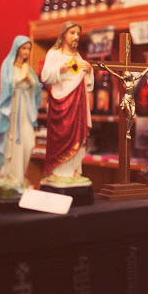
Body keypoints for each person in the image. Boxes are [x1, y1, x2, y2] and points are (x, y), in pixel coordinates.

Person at [40, 21, 94, 185]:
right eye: (72, 33)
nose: (76, 37)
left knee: (77, 133)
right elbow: (45, 77)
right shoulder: (54, 54)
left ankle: (74, 170)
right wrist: (60, 70)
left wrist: (89, 71)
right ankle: (58, 171)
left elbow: (86, 83)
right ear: (63, 34)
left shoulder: (77, 56)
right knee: (61, 136)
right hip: (61, 102)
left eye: (78, 34)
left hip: (78, 103)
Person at [0, 36, 42, 189]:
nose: (26, 52)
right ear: (17, 49)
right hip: (12, 110)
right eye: (23, 48)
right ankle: (10, 176)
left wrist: (30, 81)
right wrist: (21, 79)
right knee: (12, 142)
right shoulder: (7, 66)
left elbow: (37, 90)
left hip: (26, 110)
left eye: (29, 49)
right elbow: (6, 87)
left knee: (28, 141)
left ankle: (20, 176)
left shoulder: (29, 69)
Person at [98, 62, 148, 139]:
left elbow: (141, 74)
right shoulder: (124, 80)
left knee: (131, 116)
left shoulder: (133, 80)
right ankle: (126, 132)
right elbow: (113, 73)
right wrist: (105, 67)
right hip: (126, 99)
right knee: (126, 115)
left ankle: (128, 131)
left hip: (132, 99)